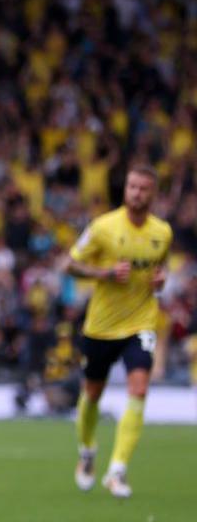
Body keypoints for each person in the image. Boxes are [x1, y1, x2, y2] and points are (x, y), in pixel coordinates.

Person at [66, 165, 172, 499]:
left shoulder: (162, 232)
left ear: (153, 193)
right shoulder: (103, 227)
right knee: (92, 394)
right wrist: (105, 273)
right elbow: (70, 264)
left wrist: (161, 282)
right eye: (132, 187)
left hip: (140, 323)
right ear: (125, 190)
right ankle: (86, 451)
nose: (137, 193)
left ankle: (117, 470)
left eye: (143, 188)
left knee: (139, 389)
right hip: (101, 326)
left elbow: (159, 269)